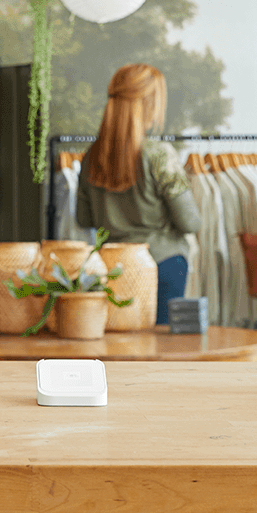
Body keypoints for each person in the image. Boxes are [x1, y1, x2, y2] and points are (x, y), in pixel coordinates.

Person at [76, 63, 201, 324]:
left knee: (122, 348)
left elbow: (84, 219)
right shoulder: (159, 155)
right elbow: (190, 222)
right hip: (163, 265)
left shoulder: (91, 157)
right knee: (161, 352)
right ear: (148, 103)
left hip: (112, 268)